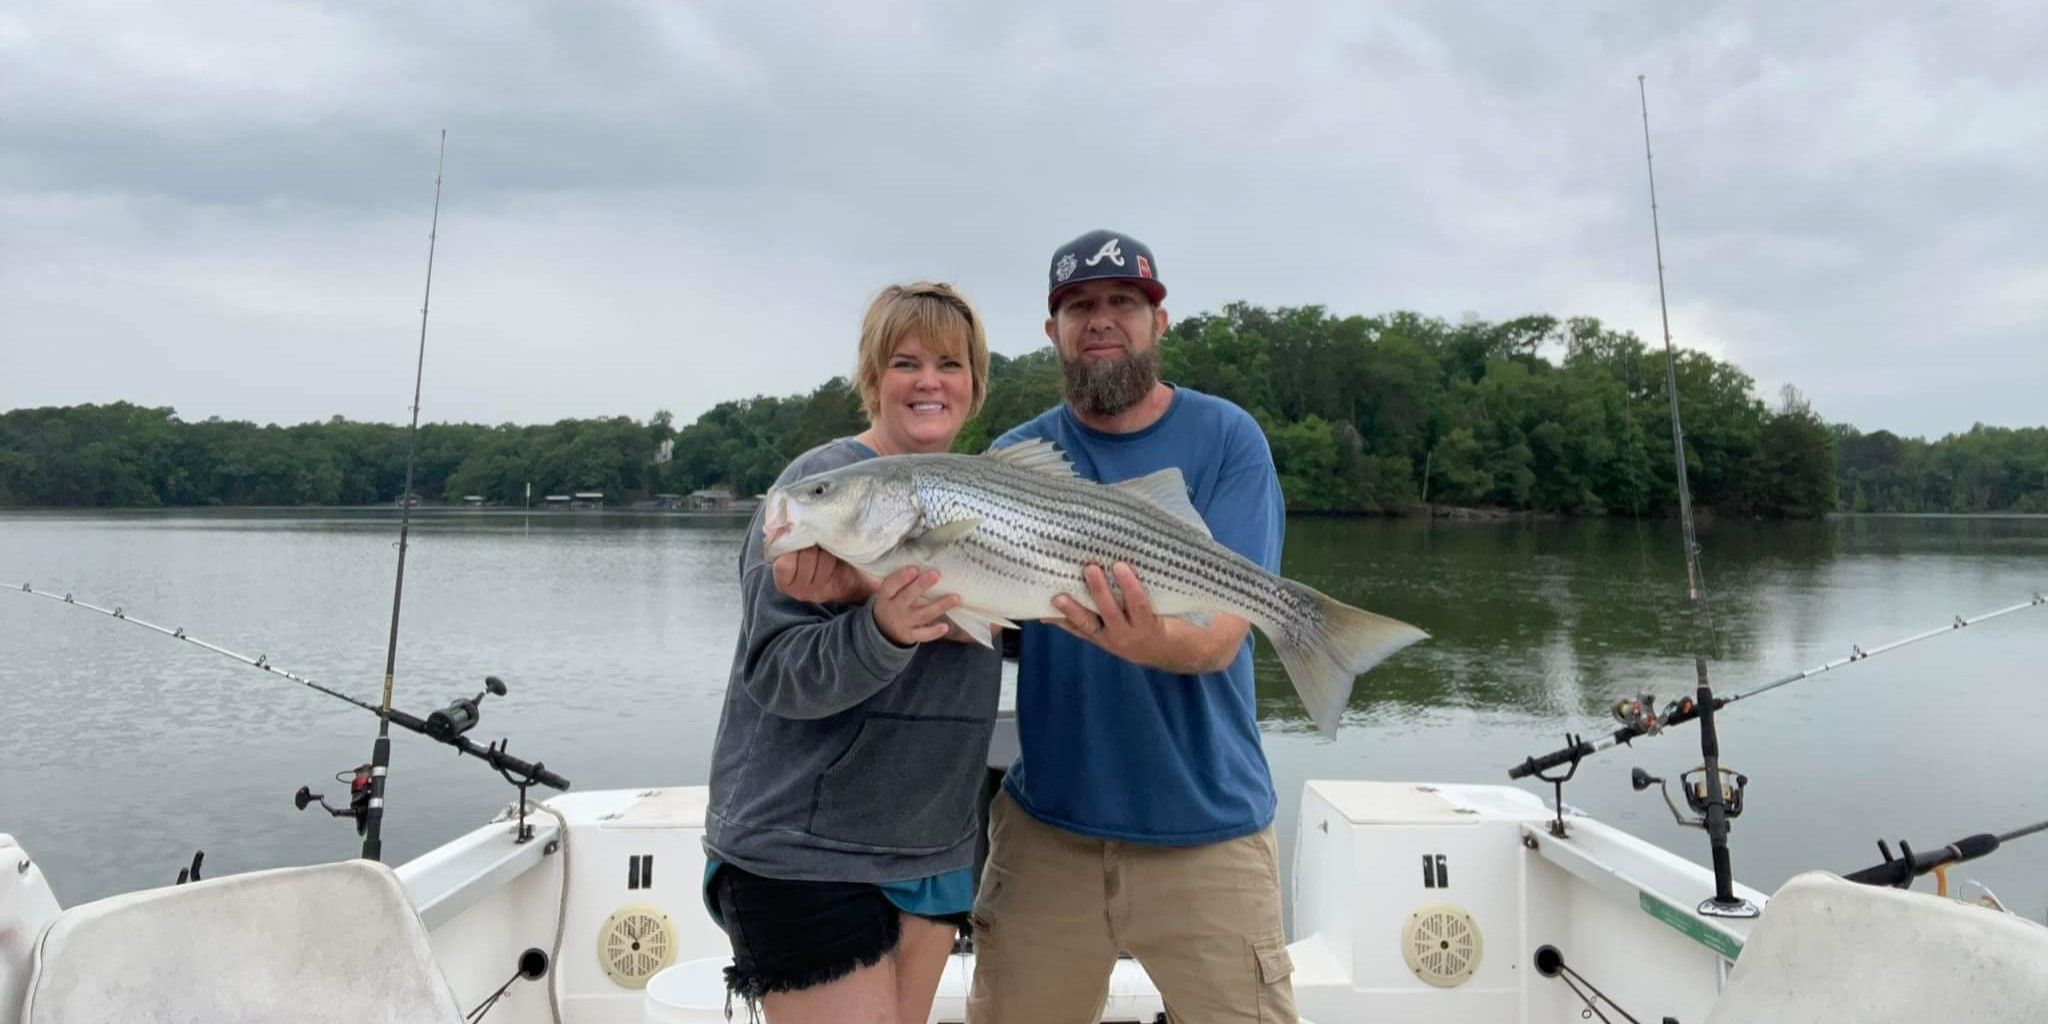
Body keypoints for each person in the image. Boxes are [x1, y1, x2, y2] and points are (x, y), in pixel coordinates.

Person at [967, 230, 1298, 1023]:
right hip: (1048, 832)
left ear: (1160, 321)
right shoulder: (1014, 456)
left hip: (1208, 829)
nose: (1102, 319)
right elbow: (987, 624)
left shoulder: (1227, 438)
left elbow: (1221, 636)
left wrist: (1141, 636)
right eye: (1080, 306)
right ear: (1054, 332)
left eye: (1124, 302)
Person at [702, 281, 1001, 1023]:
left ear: (974, 385)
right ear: (872, 378)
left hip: (932, 849)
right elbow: (774, 673)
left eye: (950, 364)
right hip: (804, 851)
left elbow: (1005, 635)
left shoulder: (988, 496)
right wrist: (881, 630)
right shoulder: (817, 491)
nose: (929, 381)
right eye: (905, 362)